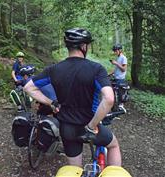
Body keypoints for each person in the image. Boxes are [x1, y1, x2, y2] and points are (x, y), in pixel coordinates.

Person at [24, 28, 121, 167]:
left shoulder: (54, 69)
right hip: (88, 125)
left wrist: (51, 103)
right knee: (113, 146)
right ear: (84, 46)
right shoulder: (96, 69)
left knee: (74, 170)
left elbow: (28, 87)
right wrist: (92, 126)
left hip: (67, 128)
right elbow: (109, 99)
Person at [110, 44, 128, 110]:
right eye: (114, 51)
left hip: (120, 78)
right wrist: (110, 73)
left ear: (120, 50)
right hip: (116, 77)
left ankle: (121, 106)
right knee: (115, 92)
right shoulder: (118, 58)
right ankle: (115, 106)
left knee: (121, 93)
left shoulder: (123, 58)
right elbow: (117, 68)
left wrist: (116, 63)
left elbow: (124, 69)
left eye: (116, 50)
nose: (115, 52)